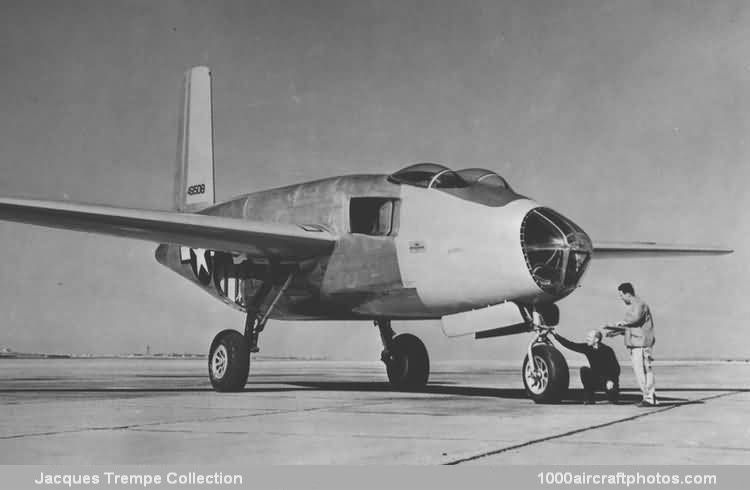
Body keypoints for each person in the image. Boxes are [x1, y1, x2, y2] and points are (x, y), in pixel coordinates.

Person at [605, 282, 657, 407]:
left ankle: (649, 398)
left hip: (641, 345)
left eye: (621, 295)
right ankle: (648, 397)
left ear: (627, 293)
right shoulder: (636, 305)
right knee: (642, 371)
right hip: (637, 344)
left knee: (643, 372)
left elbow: (635, 319)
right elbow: (634, 327)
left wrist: (621, 323)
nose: (621, 298)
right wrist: (616, 332)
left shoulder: (639, 304)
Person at [552, 330, 620, 404]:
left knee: (613, 399)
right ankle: (589, 398)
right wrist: (556, 335)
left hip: (609, 380)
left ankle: (613, 394)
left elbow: (616, 368)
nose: (587, 339)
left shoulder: (607, 350)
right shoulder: (587, 347)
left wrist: (610, 380)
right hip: (597, 378)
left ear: (596, 339)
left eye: (589, 337)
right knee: (584, 370)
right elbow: (571, 345)